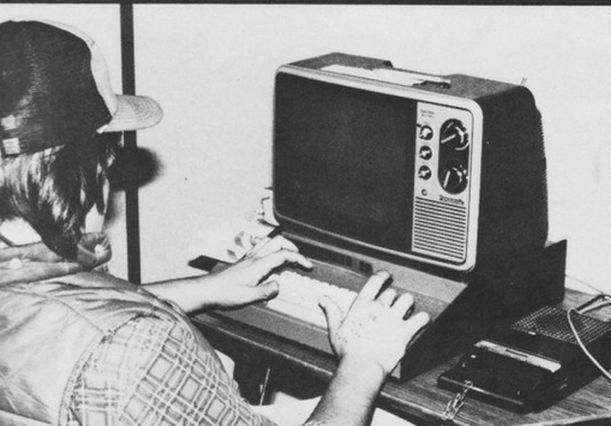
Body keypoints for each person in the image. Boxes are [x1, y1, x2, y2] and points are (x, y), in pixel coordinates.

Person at [0, 20, 430, 426]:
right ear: (73, 173)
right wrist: (364, 362)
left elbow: (48, 322)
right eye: (104, 153)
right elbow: (106, 342)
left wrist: (205, 289)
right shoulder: (138, 350)